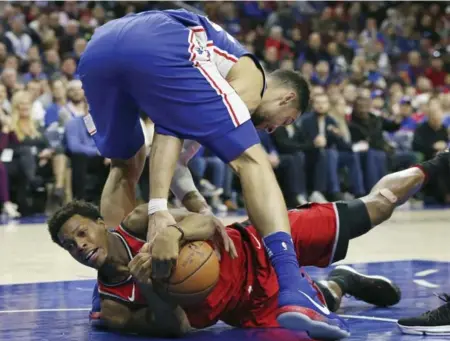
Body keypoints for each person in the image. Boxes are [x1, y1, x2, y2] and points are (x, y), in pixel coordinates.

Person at [78, 8, 324, 337]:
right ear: (286, 98)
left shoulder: (206, 83)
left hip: (98, 50)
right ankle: (293, 283)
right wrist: (158, 209)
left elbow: (175, 157)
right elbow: (171, 128)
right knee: (252, 161)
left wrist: (200, 209)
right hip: (162, 39)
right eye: (286, 120)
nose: (273, 129)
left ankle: (108, 285)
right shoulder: (251, 78)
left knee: (126, 163)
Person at [49, 150, 450, 339]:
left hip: (258, 240)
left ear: (103, 225)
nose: (80, 245)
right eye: (70, 245)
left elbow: (208, 223)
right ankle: (341, 280)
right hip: (245, 305)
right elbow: (180, 329)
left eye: (83, 233)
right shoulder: (116, 308)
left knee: (375, 209)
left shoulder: (140, 221)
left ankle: (437, 164)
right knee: (318, 309)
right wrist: (153, 287)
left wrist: (173, 232)